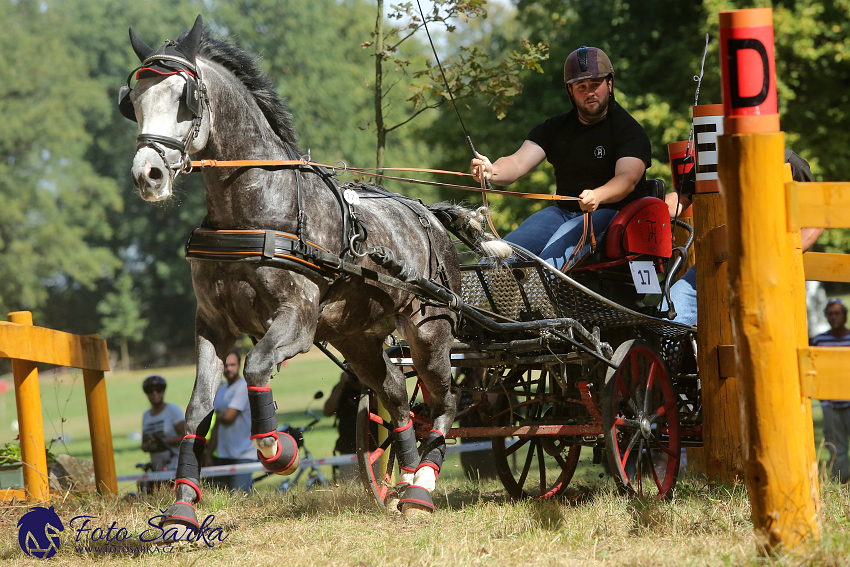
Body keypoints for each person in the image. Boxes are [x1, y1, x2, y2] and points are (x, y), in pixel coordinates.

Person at [471, 45, 652, 269]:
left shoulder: (629, 131)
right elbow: (517, 163)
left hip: (612, 214)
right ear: (570, 91)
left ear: (610, 84)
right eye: (581, 86)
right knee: (499, 256)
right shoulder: (555, 128)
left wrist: (598, 195)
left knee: (547, 262)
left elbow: (627, 179)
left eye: (596, 85)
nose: (589, 92)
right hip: (563, 212)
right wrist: (491, 170)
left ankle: (538, 300)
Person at [664, 148, 823, 325]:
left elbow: (816, 218)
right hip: (714, 263)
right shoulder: (712, 158)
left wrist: (784, 257)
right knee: (666, 317)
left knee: (756, 332)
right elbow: (677, 203)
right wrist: (645, 209)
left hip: (768, 270)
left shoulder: (790, 163)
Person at [810, 298, 850, 482]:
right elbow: (813, 370)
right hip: (830, 405)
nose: (834, 317)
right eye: (830, 314)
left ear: (844, 315)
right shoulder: (819, 340)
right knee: (836, 447)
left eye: (837, 313)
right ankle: (842, 481)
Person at [206, 350, 258, 492]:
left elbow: (229, 417)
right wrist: (209, 454)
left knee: (240, 495)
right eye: (226, 365)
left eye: (232, 365)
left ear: (239, 365)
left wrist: (221, 415)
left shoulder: (243, 387)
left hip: (244, 453)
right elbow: (217, 425)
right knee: (226, 496)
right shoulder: (221, 390)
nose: (229, 369)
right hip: (224, 453)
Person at [323, 371, 365, 482]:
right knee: (348, 485)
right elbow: (327, 411)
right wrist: (341, 385)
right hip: (347, 447)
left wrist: (362, 386)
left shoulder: (371, 385)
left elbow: (379, 407)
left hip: (373, 447)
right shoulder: (342, 388)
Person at [141, 375, 185, 475]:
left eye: (158, 390)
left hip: (175, 466)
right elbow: (143, 445)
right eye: (150, 391)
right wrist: (150, 444)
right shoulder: (146, 415)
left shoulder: (173, 410)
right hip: (156, 467)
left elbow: (185, 436)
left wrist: (164, 441)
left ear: (163, 391)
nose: (154, 393)